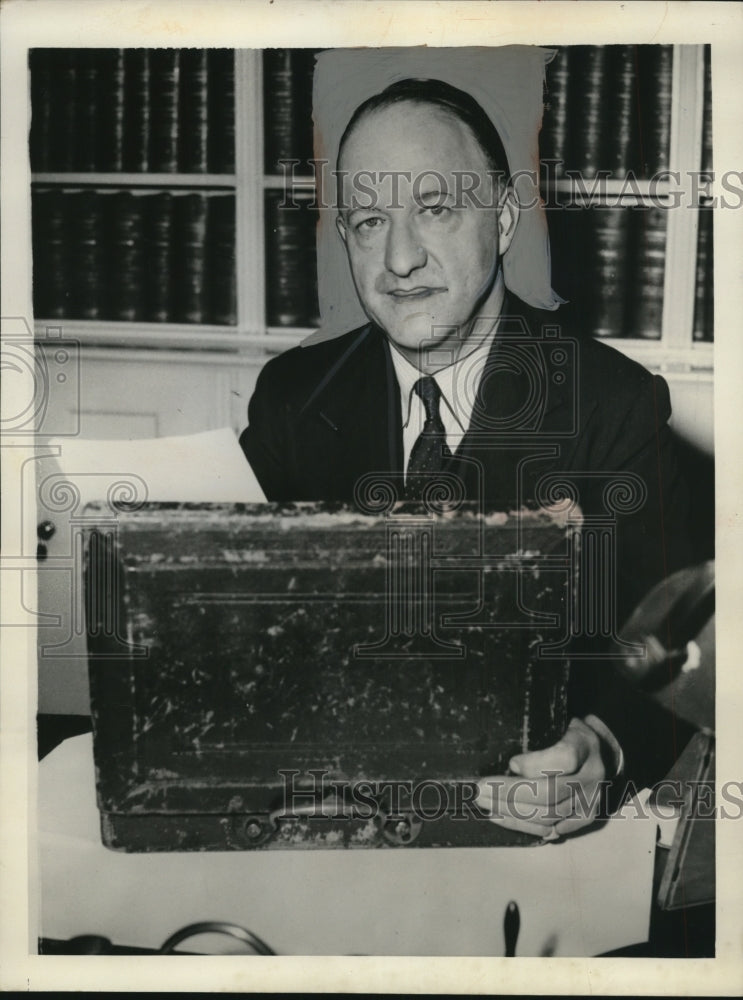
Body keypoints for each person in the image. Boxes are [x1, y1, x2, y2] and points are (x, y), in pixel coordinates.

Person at [240, 78, 695, 838]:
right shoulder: (292, 397)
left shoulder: (612, 404)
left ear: (505, 217)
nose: (399, 258)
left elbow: (669, 642)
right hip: (328, 818)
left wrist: (602, 747)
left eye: (435, 209)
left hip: (516, 829)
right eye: (367, 220)